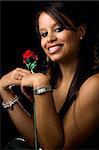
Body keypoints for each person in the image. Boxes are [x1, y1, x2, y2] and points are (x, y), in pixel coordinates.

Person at [0, 1, 99, 149]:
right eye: (44, 34)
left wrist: (41, 83)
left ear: (80, 31)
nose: (49, 39)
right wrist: (4, 91)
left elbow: (52, 147)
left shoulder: (94, 85)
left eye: (58, 29)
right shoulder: (51, 75)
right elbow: (38, 139)